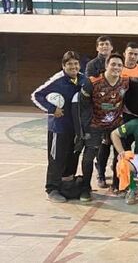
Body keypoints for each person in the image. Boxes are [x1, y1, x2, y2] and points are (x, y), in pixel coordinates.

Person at [31, 51, 86, 203]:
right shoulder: (57, 80)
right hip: (59, 128)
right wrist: (51, 108)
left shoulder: (83, 79)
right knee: (56, 158)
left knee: (72, 156)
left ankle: (67, 186)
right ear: (63, 66)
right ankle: (52, 189)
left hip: (75, 128)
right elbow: (36, 95)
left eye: (75, 63)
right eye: (69, 64)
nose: (73, 66)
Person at [79, 53, 129, 201]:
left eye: (119, 65)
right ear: (106, 65)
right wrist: (85, 126)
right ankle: (85, 189)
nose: (116, 67)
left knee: (120, 155)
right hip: (95, 125)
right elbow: (83, 105)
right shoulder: (93, 82)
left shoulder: (125, 82)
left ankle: (116, 184)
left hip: (116, 125)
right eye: (113, 64)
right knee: (88, 157)